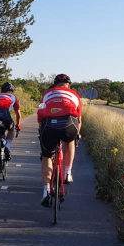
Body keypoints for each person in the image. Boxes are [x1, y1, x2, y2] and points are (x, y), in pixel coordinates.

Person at [37, 74, 82, 206]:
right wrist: (77, 134)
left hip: (49, 125)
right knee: (70, 141)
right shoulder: (74, 94)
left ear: (55, 84)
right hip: (68, 124)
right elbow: (79, 120)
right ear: (69, 85)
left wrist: (41, 132)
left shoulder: (46, 94)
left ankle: (46, 191)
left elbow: (40, 116)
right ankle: (67, 173)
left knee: (46, 157)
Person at [0, 82, 22, 177]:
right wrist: (18, 125)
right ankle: (7, 146)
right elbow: (18, 114)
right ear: (11, 91)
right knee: (11, 129)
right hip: (5, 114)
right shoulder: (13, 97)